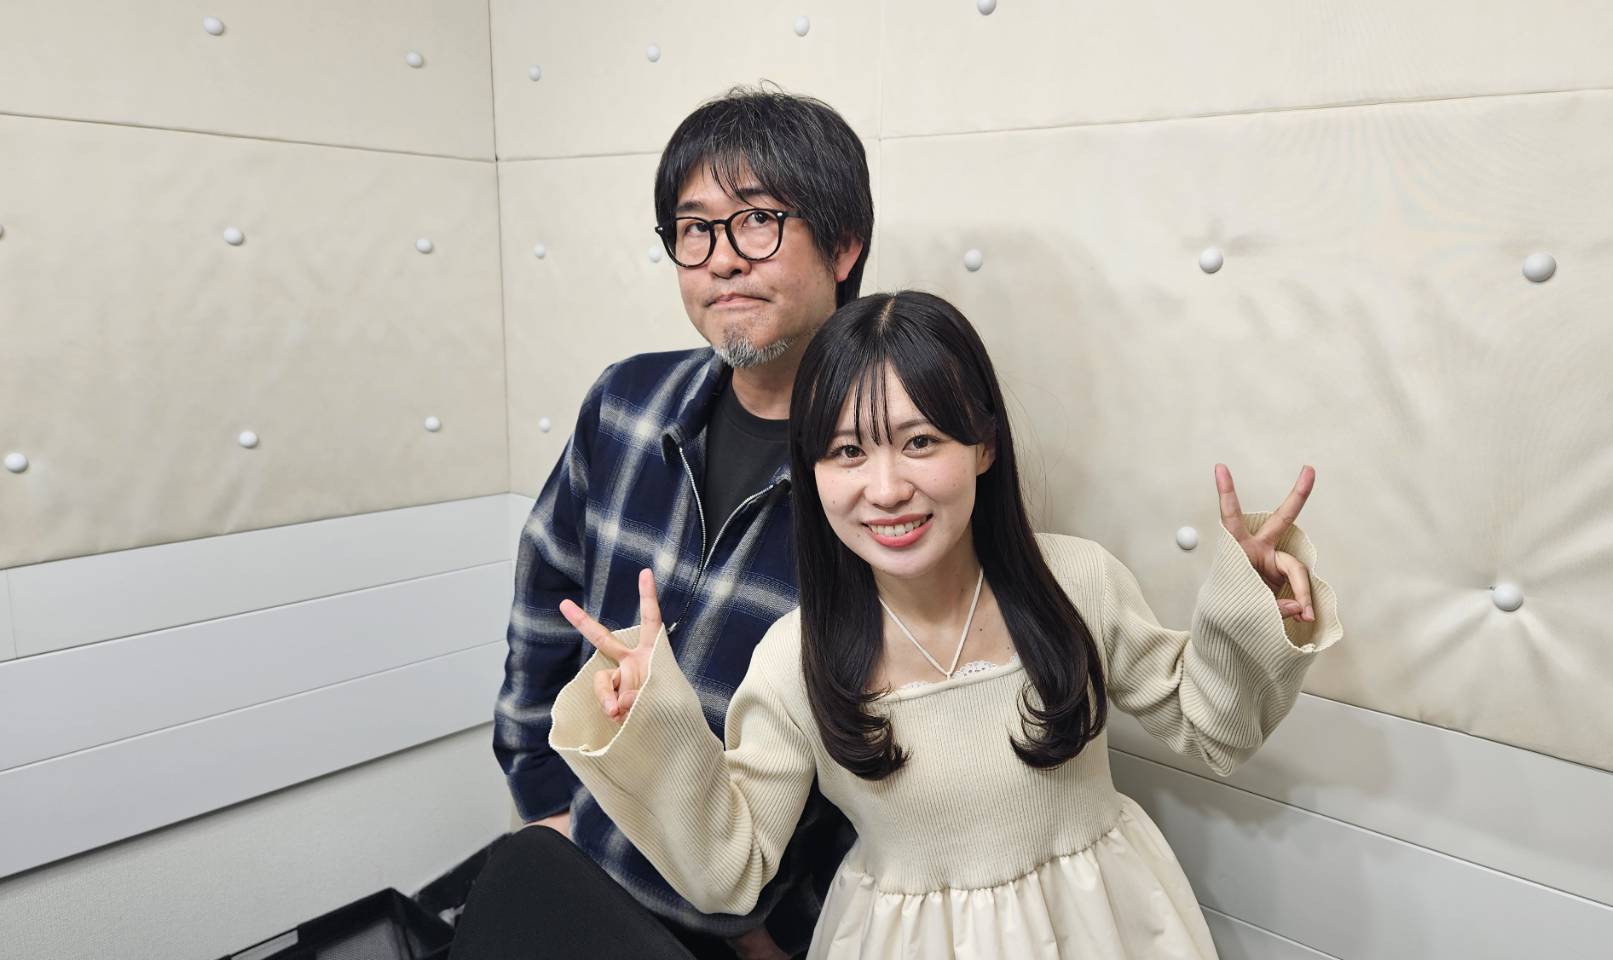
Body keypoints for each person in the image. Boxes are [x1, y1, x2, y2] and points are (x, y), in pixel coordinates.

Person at [547, 290, 1344, 959]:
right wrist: (652, 724)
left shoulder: (1077, 582)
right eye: (846, 452)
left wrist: (1250, 602)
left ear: (983, 446)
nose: (886, 487)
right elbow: (731, 868)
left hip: (1104, 925)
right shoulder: (795, 656)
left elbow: (1213, 728)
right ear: (811, 471)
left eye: (920, 441)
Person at [450, 87, 873, 960]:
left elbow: (902, 736)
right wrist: (544, 801)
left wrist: (787, 929)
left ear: (843, 245)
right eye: (693, 229)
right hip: (574, 872)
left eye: (756, 221)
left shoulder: (889, 470)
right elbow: (542, 607)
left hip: (739, 930)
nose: (721, 260)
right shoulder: (626, 402)